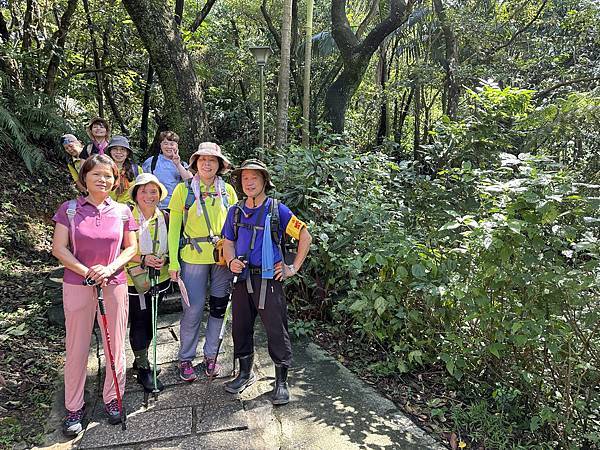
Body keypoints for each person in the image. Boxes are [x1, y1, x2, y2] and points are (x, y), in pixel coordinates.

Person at [52, 154, 138, 436]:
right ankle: (73, 406)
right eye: (96, 174)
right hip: (78, 284)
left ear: (116, 180)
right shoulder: (69, 209)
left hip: (114, 283)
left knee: (115, 342)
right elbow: (59, 248)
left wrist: (110, 268)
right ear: (84, 178)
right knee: (76, 346)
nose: (103, 180)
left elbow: (131, 248)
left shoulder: (123, 211)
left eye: (108, 175)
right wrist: (87, 271)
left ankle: (114, 398)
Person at [222, 159, 312, 405]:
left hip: (269, 279)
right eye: (244, 178)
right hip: (242, 278)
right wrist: (230, 262)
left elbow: (305, 235)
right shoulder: (235, 211)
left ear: (264, 181)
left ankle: (281, 381)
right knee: (240, 327)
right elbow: (228, 242)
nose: (249, 182)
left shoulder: (277, 209)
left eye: (254, 178)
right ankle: (244, 373)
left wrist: (292, 267)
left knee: (276, 329)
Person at [167, 142, 237, 381]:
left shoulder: (227, 190)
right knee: (193, 308)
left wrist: (236, 257)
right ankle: (186, 357)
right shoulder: (183, 191)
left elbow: (235, 227)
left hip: (221, 260)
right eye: (203, 160)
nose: (207, 164)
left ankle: (211, 356)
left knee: (218, 308)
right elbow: (174, 227)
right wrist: (173, 262)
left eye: (212, 160)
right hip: (192, 257)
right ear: (195, 163)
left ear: (219, 165)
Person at [125, 173, 171, 392]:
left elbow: (173, 244)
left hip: (159, 276)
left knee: (152, 319)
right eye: (143, 191)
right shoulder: (126, 217)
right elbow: (120, 249)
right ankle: (143, 368)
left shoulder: (165, 217)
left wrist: (166, 259)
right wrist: (142, 258)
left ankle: (140, 357)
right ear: (135, 194)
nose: (149, 195)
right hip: (134, 278)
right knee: (140, 321)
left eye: (154, 191)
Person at [142, 131, 192, 210]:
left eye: (172, 144)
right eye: (165, 143)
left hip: (177, 207)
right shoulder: (151, 162)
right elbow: (142, 184)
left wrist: (178, 164)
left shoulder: (182, 164)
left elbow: (191, 182)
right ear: (161, 145)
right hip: (155, 207)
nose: (169, 147)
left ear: (177, 146)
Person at [107, 135, 143, 205]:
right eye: (115, 149)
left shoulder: (136, 169)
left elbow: (142, 190)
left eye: (122, 149)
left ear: (127, 153)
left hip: (130, 210)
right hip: (107, 209)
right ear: (110, 151)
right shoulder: (104, 169)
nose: (118, 152)